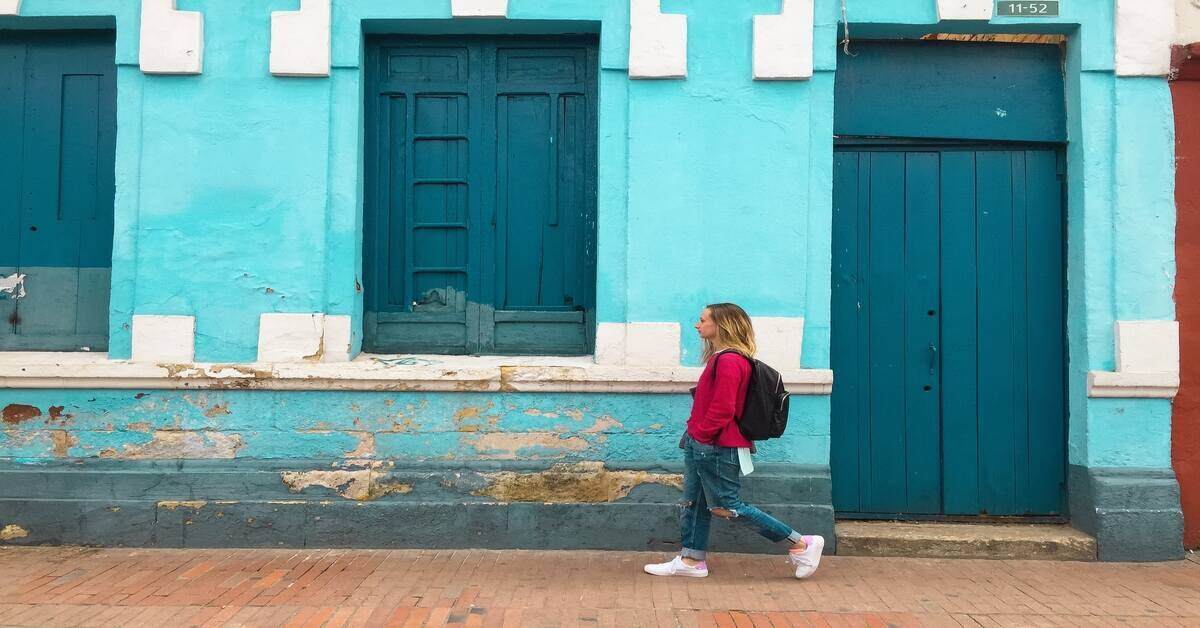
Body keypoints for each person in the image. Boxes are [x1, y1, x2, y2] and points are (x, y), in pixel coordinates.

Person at [643, 303, 825, 579]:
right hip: (704, 443)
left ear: (722, 325)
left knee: (728, 506)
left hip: (716, 445)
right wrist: (695, 435)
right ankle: (691, 560)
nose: (697, 324)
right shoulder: (723, 358)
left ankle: (801, 544)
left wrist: (701, 436)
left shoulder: (729, 360)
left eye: (703, 320)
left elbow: (724, 408)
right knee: (695, 502)